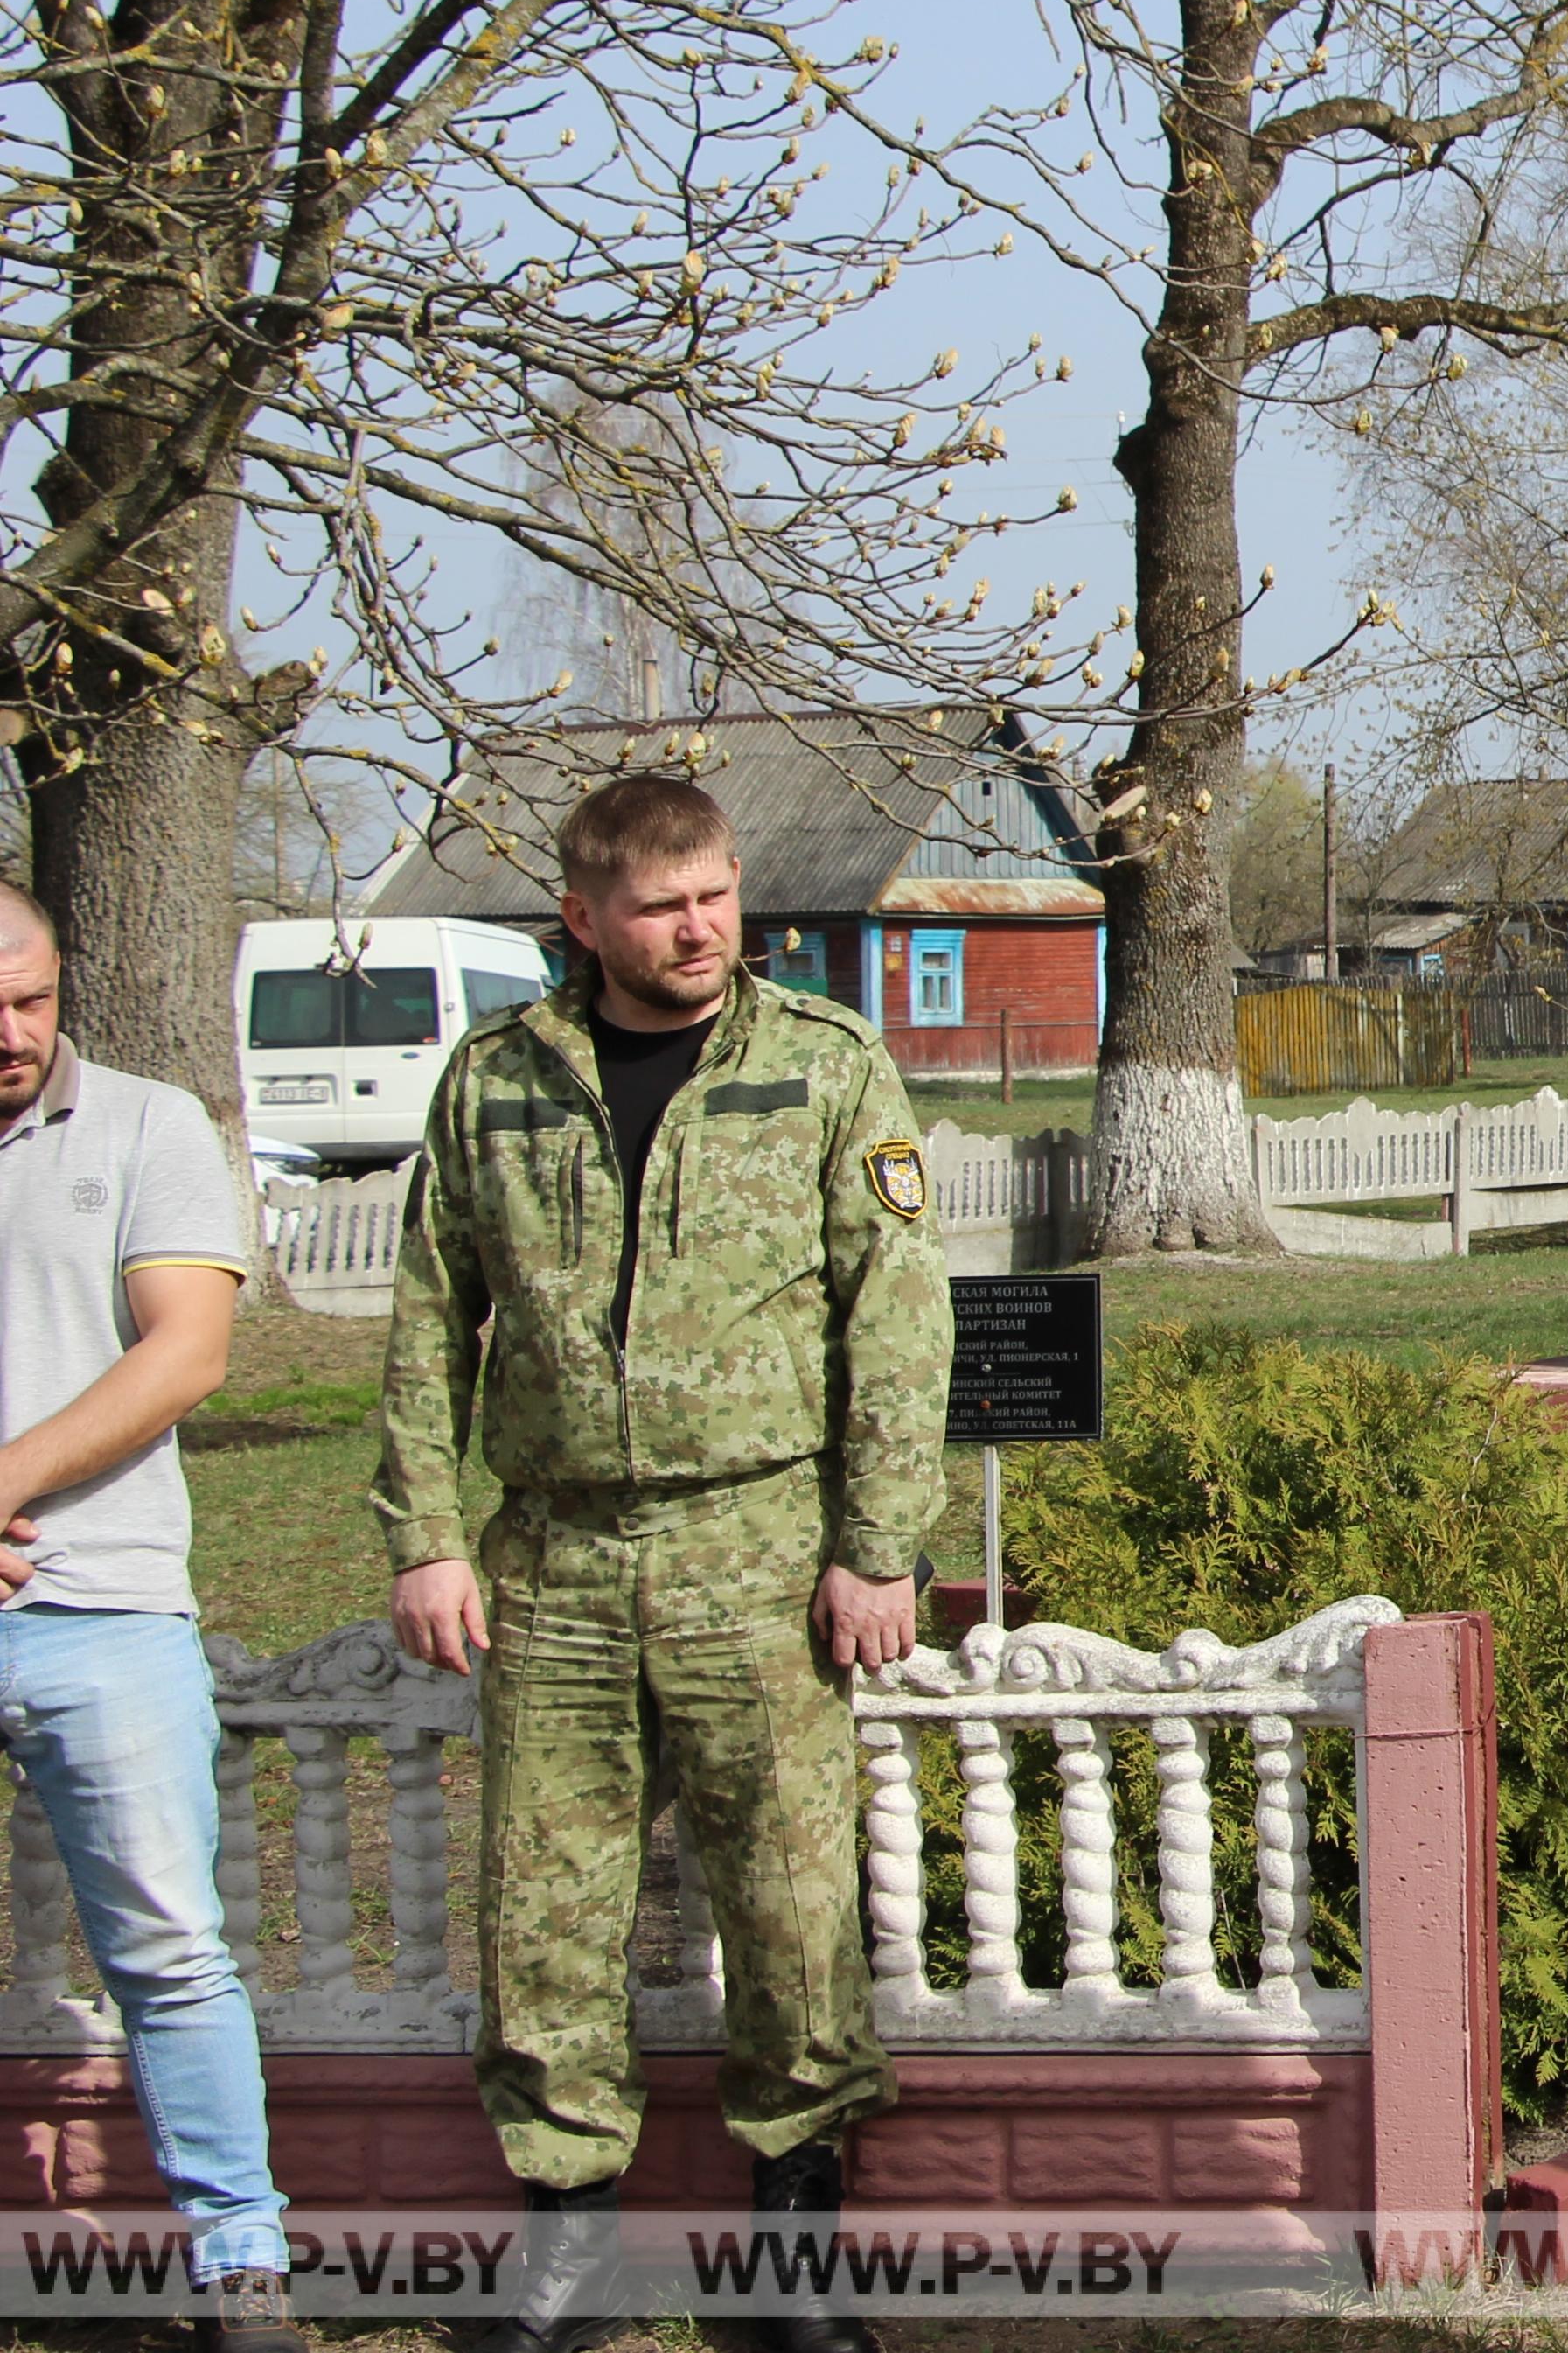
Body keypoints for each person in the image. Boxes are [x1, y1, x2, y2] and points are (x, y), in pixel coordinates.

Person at [373, 775, 949, 2353]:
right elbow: (431, 1320)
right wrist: (425, 1532)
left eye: (715, 894)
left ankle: (791, 2257)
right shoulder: (494, 1083)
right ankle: (566, 2242)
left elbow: (895, 1315)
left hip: (758, 1550)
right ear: (583, 918)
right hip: (554, 1558)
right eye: (659, 906)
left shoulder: (821, 1066)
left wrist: (878, 1546)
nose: (698, 929)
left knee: (788, 1906)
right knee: (546, 1911)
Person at [0, 885, 298, 2350]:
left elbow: (184, 1350)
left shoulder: (144, 1125)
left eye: (33, 1000)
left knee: (172, 1949)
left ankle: (242, 2268)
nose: (12, 1032)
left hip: (98, 1603)